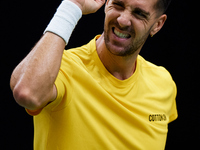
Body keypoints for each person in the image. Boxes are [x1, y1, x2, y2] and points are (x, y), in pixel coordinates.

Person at [10, 0, 178, 149]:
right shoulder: (61, 67)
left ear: (157, 24)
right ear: (106, 3)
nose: (122, 20)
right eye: (118, 4)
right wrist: (72, 6)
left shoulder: (164, 83)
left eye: (139, 13)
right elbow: (27, 93)